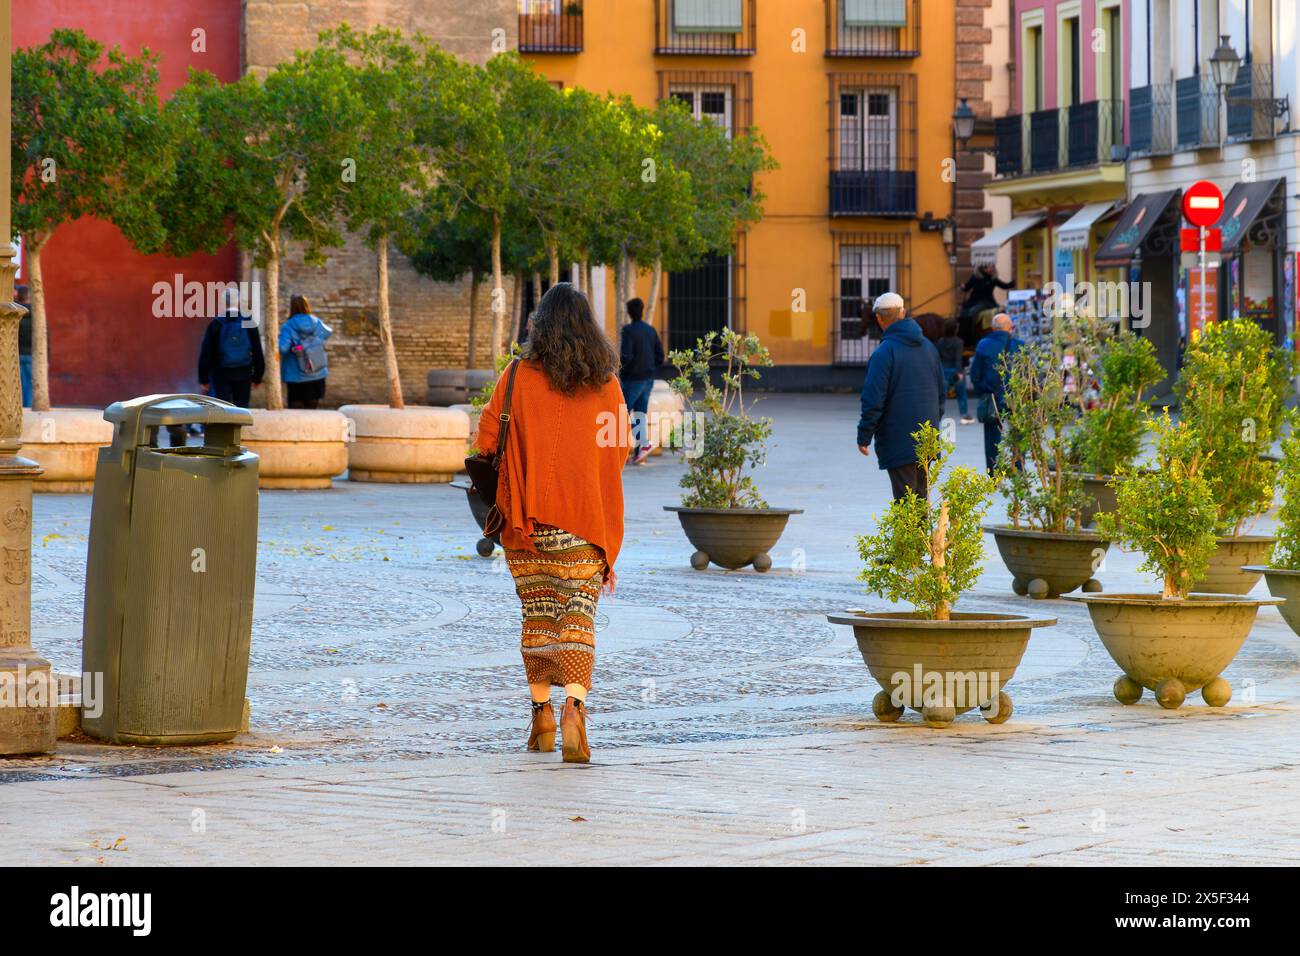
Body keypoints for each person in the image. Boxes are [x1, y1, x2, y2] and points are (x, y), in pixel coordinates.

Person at [476, 283, 627, 765]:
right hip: (584, 523)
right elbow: (619, 447)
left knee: (537, 616)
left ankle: (540, 716)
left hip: (525, 524)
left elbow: (484, 441)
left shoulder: (516, 376)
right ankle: (574, 711)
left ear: (538, 325)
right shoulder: (606, 384)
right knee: (578, 617)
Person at [856, 292, 946, 501]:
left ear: (878, 319)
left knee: (906, 504)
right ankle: (921, 535)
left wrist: (864, 436)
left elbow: (873, 400)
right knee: (921, 500)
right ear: (904, 313)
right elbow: (941, 393)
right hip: (927, 437)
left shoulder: (884, 353)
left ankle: (912, 536)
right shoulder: (929, 348)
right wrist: (933, 422)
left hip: (898, 438)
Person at [969, 312, 1023, 475]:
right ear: (1011, 327)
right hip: (1015, 396)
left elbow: (975, 374)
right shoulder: (1020, 345)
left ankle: (994, 472)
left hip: (991, 396)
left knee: (992, 436)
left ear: (992, 328)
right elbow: (1028, 373)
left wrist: (983, 391)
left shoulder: (984, 345)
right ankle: (1018, 469)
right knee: (1018, 434)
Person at [198, 289, 265, 408]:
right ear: (238, 302)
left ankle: (225, 426)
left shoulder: (216, 324)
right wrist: (257, 377)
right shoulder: (248, 322)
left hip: (221, 372)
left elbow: (206, 353)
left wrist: (203, 379)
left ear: (223, 302)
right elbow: (257, 350)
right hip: (244, 371)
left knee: (223, 408)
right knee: (242, 407)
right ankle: (240, 427)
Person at [618, 297, 664, 466]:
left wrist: (622, 370)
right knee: (640, 414)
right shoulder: (650, 330)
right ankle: (640, 455)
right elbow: (660, 355)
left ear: (629, 312)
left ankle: (633, 448)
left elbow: (626, 355)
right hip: (648, 379)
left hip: (632, 379)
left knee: (621, 414)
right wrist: (651, 368)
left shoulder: (628, 331)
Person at [278, 294, 332, 409]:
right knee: (312, 413)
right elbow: (328, 333)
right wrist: (314, 342)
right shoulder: (316, 321)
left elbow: (283, 349)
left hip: (296, 376)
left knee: (296, 414)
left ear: (292, 307)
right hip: (317, 373)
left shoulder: (288, 326)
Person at [936, 319, 972, 425]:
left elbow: (938, 358)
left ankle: (937, 415)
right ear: (955, 329)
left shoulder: (940, 342)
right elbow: (958, 359)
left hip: (943, 370)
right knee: (961, 394)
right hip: (955, 370)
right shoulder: (959, 342)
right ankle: (964, 414)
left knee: (942, 395)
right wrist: (959, 372)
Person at [16, 285, 32, 408]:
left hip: (18, 353)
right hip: (32, 354)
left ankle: (21, 407)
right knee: (32, 384)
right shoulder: (37, 314)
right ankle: (29, 406)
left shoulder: (15, 314)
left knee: (19, 383)